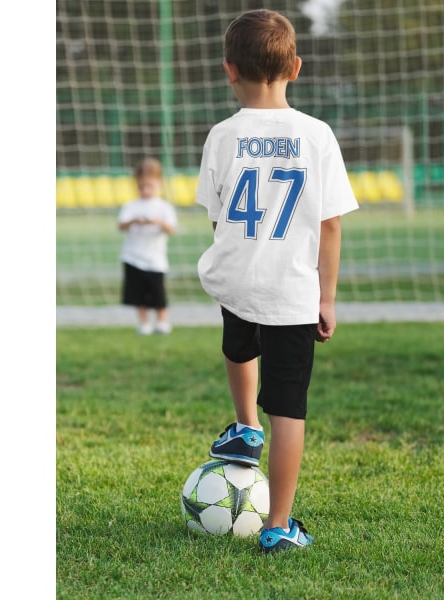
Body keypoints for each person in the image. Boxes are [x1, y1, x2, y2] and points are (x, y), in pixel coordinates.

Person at [195, 9, 359, 553]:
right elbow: (329, 223)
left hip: (237, 278)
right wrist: (326, 297)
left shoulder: (221, 135)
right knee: (288, 403)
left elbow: (218, 218)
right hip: (292, 291)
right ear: (296, 66)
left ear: (228, 70)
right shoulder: (316, 135)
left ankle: (244, 426)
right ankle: (278, 527)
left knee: (238, 344)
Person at [118, 157, 178, 335]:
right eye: (141, 186)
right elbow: (121, 225)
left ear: (159, 183)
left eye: (149, 185)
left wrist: (158, 222)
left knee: (158, 293)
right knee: (138, 294)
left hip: (155, 259)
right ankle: (144, 322)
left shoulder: (164, 207)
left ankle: (162, 321)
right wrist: (134, 221)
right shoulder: (130, 206)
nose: (145, 190)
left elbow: (171, 229)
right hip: (133, 257)